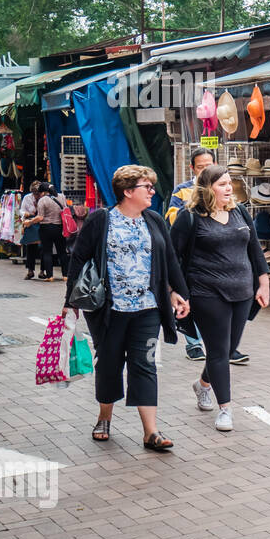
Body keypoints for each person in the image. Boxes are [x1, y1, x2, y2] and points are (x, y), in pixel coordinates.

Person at [65, 165, 191, 451]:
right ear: (127, 191)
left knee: (145, 364)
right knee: (109, 363)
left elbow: (168, 260)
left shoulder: (155, 220)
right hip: (109, 309)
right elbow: (78, 260)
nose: (152, 192)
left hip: (148, 308)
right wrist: (69, 303)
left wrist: (175, 293)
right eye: (146, 186)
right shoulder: (101, 220)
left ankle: (151, 432)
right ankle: (104, 417)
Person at [170, 165, 270, 432]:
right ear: (207, 188)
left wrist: (263, 281)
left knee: (226, 350)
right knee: (218, 351)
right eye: (223, 184)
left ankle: (202, 385)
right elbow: (172, 257)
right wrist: (174, 291)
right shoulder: (190, 217)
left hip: (242, 292)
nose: (229, 188)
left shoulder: (239, 212)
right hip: (207, 292)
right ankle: (225, 409)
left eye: (229, 183)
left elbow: (254, 248)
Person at [166, 148, 224, 362]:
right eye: (200, 167)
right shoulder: (182, 191)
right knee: (189, 297)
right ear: (192, 168)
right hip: (190, 254)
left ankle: (221, 343)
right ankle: (193, 343)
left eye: (209, 166)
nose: (205, 170)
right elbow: (172, 217)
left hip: (215, 255)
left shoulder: (222, 188)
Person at [34, 185, 69, 281]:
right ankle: (65, 275)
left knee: (47, 252)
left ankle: (50, 276)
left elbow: (40, 217)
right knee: (62, 252)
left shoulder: (43, 200)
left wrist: (29, 222)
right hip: (60, 228)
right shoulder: (61, 196)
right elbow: (65, 209)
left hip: (46, 228)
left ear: (43, 192)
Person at [20, 181, 46, 279]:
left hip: (42, 222)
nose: (36, 196)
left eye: (38, 194)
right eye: (34, 194)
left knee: (44, 247)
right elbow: (21, 210)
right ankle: (30, 270)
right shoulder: (27, 198)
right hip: (30, 222)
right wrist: (25, 214)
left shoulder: (44, 198)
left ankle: (43, 271)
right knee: (30, 247)